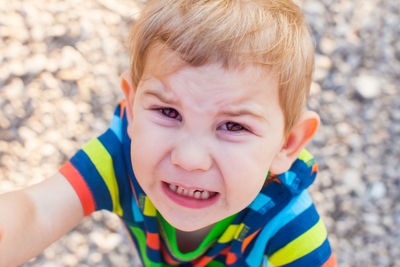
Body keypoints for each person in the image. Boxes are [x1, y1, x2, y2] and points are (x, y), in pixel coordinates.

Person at [0, 0, 337, 266]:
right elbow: (37, 211)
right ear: (131, 108)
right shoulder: (118, 159)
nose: (189, 159)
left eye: (233, 126)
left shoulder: (285, 213)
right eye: (168, 112)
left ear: (288, 143)